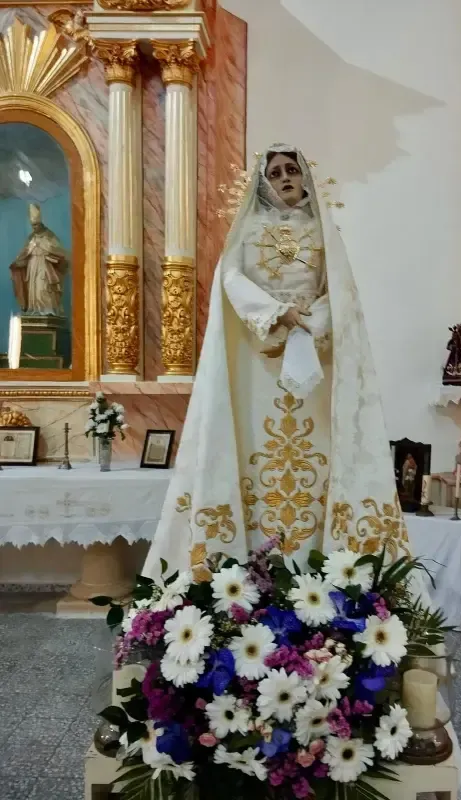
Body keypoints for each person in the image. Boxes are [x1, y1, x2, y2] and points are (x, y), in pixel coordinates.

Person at [143, 144, 414, 580]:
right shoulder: (246, 230)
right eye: (275, 172)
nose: (285, 177)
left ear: (305, 177)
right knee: (259, 456)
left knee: (317, 457)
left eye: (292, 169)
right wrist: (272, 313)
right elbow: (230, 277)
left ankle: (322, 569)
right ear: (263, 182)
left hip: (315, 367)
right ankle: (246, 566)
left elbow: (338, 289)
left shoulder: (325, 232)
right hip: (258, 364)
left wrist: (309, 322)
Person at [10, 204, 68, 316]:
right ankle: (34, 309)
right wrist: (20, 260)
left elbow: (58, 250)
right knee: (33, 289)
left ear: (41, 223)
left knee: (43, 288)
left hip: (44, 266)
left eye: (36, 225)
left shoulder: (49, 235)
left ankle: (47, 310)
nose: (34, 227)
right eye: (33, 225)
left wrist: (45, 246)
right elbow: (24, 253)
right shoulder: (31, 237)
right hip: (32, 266)